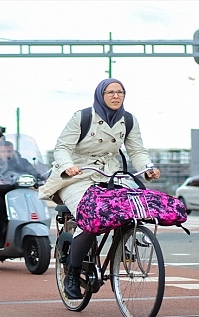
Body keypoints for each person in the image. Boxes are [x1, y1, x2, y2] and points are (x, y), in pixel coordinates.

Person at [39, 78, 161, 299]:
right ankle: (73, 275)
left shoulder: (129, 120)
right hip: (77, 176)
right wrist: (68, 166)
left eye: (120, 92)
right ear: (100, 95)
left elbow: (137, 150)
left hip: (110, 173)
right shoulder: (82, 117)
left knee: (135, 203)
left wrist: (147, 168)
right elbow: (62, 147)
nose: (116, 96)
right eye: (110, 92)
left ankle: (124, 240)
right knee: (91, 217)